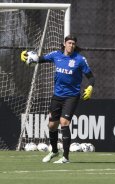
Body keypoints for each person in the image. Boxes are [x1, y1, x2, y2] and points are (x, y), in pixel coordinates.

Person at [20, 35, 95, 163]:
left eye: (73, 43)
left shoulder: (80, 59)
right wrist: (27, 56)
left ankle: (65, 157)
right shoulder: (56, 55)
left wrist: (90, 88)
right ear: (64, 44)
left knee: (64, 122)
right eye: (69, 43)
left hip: (72, 96)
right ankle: (54, 151)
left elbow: (91, 77)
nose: (71, 45)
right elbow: (40, 59)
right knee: (52, 125)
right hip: (57, 96)